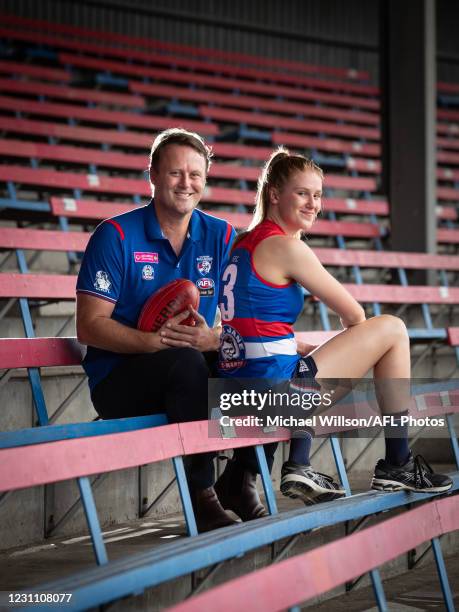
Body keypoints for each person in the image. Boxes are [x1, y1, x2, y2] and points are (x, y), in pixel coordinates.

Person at [217, 147, 452, 507]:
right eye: (302, 193)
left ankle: (300, 461)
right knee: (392, 329)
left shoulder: (242, 242)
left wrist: (301, 346)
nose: (313, 203)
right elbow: (355, 316)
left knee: (311, 361)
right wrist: (348, 343)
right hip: (274, 393)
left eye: (318, 195)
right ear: (275, 194)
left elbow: (251, 323)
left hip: (240, 384)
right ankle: (397, 463)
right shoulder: (285, 247)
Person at [76, 128, 240, 533]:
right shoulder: (114, 235)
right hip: (121, 379)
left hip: (191, 363)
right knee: (186, 362)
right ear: (152, 174)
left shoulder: (220, 235)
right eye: (175, 173)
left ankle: (244, 476)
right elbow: (88, 326)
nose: (186, 183)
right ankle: (202, 494)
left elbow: (245, 324)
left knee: (260, 363)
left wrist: (214, 338)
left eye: (196, 174)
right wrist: (149, 342)